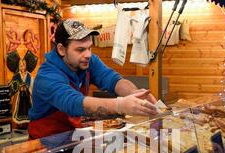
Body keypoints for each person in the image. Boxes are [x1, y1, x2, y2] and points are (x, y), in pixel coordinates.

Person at [29, 19, 157, 139]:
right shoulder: (47, 76)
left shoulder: (88, 61)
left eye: (89, 48)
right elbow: (73, 103)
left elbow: (113, 79)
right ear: (61, 49)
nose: (88, 54)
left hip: (73, 137)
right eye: (80, 49)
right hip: (44, 144)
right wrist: (120, 105)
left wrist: (134, 93)